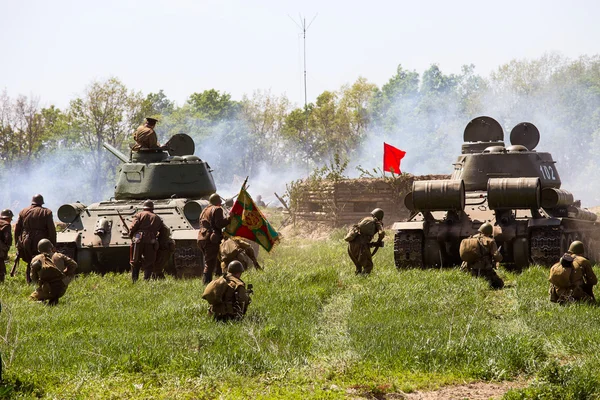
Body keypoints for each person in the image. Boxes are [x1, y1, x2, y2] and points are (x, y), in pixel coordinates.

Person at [15, 194, 56, 284]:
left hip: (25, 240)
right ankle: (40, 281)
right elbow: (51, 230)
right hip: (40, 241)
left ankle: (29, 281)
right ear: (41, 203)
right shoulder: (47, 212)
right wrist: (53, 245)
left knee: (30, 261)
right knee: (42, 260)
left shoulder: (23, 211)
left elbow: (17, 228)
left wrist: (17, 243)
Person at [29, 239, 77, 305]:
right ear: (51, 247)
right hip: (61, 288)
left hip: (45, 289)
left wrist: (39, 282)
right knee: (55, 290)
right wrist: (65, 273)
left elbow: (33, 277)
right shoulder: (59, 256)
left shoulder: (35, 259)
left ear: (39, 249)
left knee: (31, 300)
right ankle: (54, 299)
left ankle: (43, 303)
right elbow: (74, 265)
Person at [128, 200, 165, 282]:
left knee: (135, 260)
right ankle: (146, 280)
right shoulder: (157, 217)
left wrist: (131, 235)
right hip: (151, 240)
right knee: (149, 261)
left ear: (144, 207)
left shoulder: (139, 215)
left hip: (138, 238)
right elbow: (163, 230)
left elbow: (133, 227)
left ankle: (134, 280)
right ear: (152, 208)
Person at [197, 193, 231, 284]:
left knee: (216, 260)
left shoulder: (204, 210)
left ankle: (218, 279)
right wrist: (229, 219)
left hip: (201, 237)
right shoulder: (217, 209)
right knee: (210, 262)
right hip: (211, 238)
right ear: (218, 201)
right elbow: (219, 224)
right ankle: (206, 283)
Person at [459, 223, 504, 289]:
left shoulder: (471, 239)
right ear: (489, 232)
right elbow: (496, 255)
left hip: (469, 268)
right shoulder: (490, 241)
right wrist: (499, 259)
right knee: (499, 284)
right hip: (485, 269)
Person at [345, 208, 385, 275]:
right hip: (361, 246)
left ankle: (357, 279)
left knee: (358, 266)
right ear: (380, 217)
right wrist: (379, 240)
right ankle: (362, 280)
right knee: (368, 266)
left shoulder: (365, 219)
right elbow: (381, 233)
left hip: (351, 245)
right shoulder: (376, 222)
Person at [0, 209, 13, 282]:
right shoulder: (6, 225)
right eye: (11, 218)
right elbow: (8, 238)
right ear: (8, 217)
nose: (11, 219)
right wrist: (6, 247)